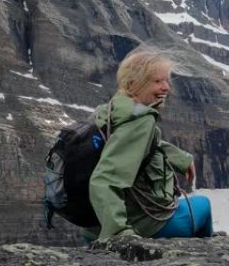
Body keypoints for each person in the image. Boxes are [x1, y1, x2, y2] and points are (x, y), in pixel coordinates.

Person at [86, 49, 213, 241]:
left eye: (166, 80)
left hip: (93, 226)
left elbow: (141, 143)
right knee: (204, 205)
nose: (166, 88)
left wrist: (182, 159)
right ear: (134, 84)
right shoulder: (140, 121)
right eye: (157, 81)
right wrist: (118, 233)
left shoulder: (111, 110)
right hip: (139, 224)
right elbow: (104, 179)